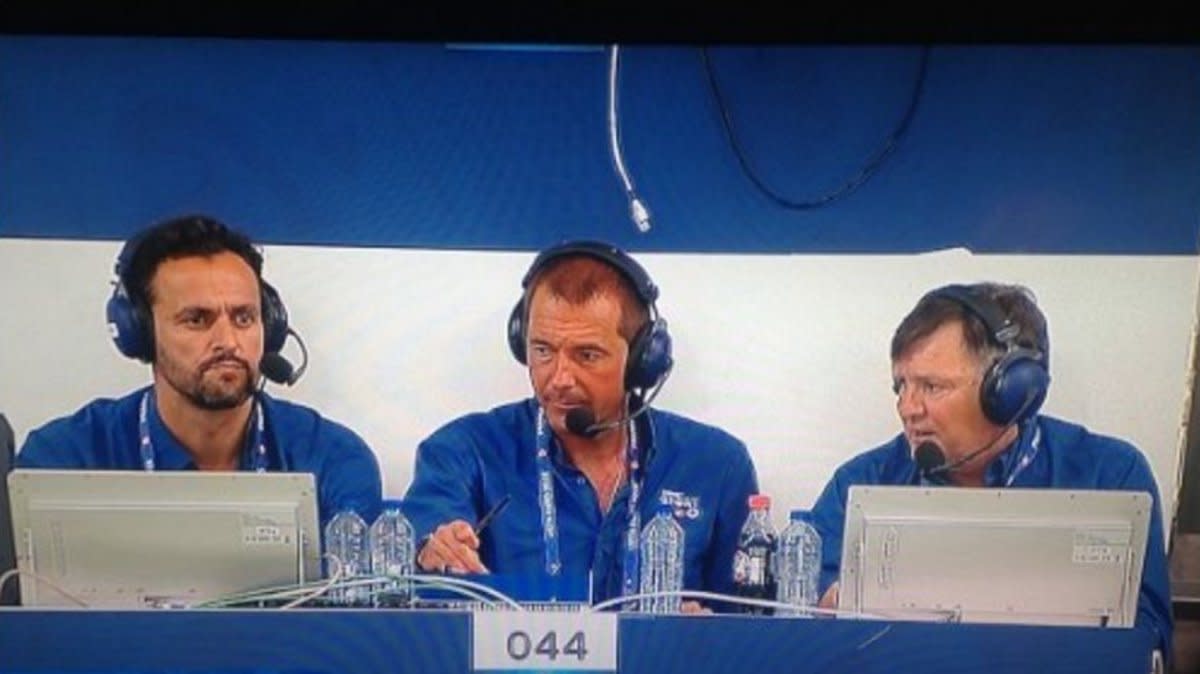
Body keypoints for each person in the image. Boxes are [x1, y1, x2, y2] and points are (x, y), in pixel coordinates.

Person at [810, 282, 1172, 655]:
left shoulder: (1110, 477)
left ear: (1010, 391)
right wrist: (829, 601)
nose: (907, 408)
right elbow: (803, 605)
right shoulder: (860, 482)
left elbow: (1146, 643)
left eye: (932, 387)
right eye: (901, 386)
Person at [403, 240, 758, 607]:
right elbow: (419, 570)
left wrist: (711, 633)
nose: (559, 378)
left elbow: (750, 625)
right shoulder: (464, 451)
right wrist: (432, 554)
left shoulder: (718, 466)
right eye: (542, 350)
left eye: (587, 355)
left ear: (642, 361)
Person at [17, 215, 382, 527]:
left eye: (244, 317)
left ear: (268, 327)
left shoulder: (332, 458)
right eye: (196, 319)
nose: (228, 340)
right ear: (140, 332)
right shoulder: (64, 460)